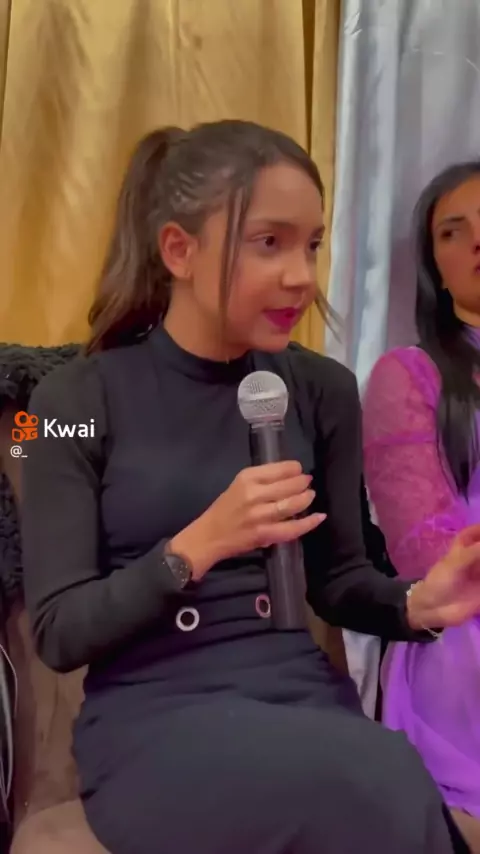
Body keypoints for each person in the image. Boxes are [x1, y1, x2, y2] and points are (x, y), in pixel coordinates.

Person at [20, 122, 480, 854]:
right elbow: (58, 630)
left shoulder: (323, 390)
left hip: (301, 696)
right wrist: (197, 546)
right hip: (155, 718)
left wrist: (419, 603)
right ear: (180, 250)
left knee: (383, 775)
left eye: (312, 245)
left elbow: (340, 580)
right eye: (270, 243)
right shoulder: (65, 405)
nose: (301, 276)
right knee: (370, 783)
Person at [363, 161, 480, 851]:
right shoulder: (408, 374)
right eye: (453, 232)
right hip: (465, 612)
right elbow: (421, 548)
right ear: (435, 265)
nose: (477, 242)